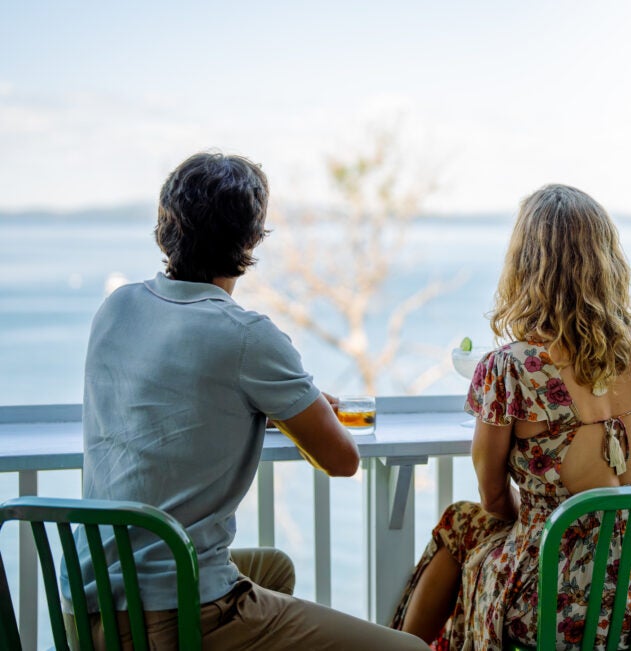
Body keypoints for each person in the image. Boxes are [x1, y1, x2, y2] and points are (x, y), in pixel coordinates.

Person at [62, 152, 429, 650]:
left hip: (87, 607)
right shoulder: (245, 336)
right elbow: (341, 460)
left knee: (273, 569)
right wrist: (286, 406)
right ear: (251, 240)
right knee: (407, 649)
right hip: (173, 616)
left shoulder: (116, 307)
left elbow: (177, 399)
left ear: (166, 226)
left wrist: (262, 401)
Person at [391, 184, 631, 649]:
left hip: (556, 600)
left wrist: (531, 524)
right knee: (466, 527)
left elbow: (493, 495)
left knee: (461, 524)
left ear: (526, 266)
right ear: (605, 260)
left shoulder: (510, 367)